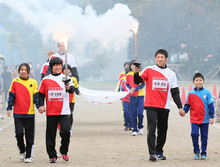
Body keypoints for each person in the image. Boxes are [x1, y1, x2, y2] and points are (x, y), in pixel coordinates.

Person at [133, 49, 184, 161]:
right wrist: (136, 72)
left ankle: (159, 151)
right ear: (155, 58)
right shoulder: (149, 70)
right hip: (151, 105)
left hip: (164, 106)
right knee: (152, 128)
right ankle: (152, 153)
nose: (159, 59)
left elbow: (175, 92)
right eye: (157, 57)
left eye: (162, 57)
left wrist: (180, 107)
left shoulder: (171, 74)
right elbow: (138, 81)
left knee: (163, 129)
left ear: (166, 59)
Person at [38, 57, 75, 163]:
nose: (58, 67)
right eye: (55, 65)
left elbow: (72, 90)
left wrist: (68, 87)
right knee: (50, 133)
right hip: (51, 111)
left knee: (66, 131)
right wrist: (41, 105)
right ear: (51, 67)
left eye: (59, 65)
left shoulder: (66, 78)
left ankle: (64, 151)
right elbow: (40, 95)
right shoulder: (46, 80)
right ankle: (52, 155)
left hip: (64, 110)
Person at [6, 63, 39, 163]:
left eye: (25, 70)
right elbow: (11, 96)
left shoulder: (33, 82)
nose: (23, 71)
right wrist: (9, 108)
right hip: (18, 113)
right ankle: (21, 149)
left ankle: (29, 155)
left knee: (29, 135)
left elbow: (35, 97)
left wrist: (39, 106)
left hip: (29, 113)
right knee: (19, 133)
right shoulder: (15, 82)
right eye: (21, 70)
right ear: (19, 71)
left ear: (29, 71)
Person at [182, 72, 215, 160]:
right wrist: (184, 111)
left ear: (203, 81)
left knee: (204, 137)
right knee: (194, 134)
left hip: (205, 119)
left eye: (200, 80)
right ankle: (196, 151)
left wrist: (211, 117)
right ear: (193, 82)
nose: (198, 82)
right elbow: (187, 105)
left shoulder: (207, 93)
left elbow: (211, 105)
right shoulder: (191, 93)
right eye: (196, 80)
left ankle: (203, 152)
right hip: (194, 119)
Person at [126, 60, 145, 136]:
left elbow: (143, 84)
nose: (135, 67)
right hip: (132, 96)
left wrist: (135, 88)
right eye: (133, 65)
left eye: (136, 66)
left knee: (140, 113)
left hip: (140, 96)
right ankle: (134, 129)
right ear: (131, 66)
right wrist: (131, 89)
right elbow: (127, 84)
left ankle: (140, 126)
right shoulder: (128, 75)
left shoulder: (142, 74)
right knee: (133, 113)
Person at [62, 64, 80, 135]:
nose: (67, 71)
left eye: (68, 70)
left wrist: (78, 92)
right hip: (62, 100)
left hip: (71, 100)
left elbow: (75, 88)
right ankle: (62, 127)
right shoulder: (60, 78)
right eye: (65, 70)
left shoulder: (74, 79)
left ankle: (69, 128)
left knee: (70, 114)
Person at [119, 66, 132, 131]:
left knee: (132, 112)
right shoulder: (123, 80)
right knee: (126, 111)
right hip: (125, 99)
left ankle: (131, 125)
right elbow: (121, 89)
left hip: (132, 98)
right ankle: (126, 124)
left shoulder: (134, 79)